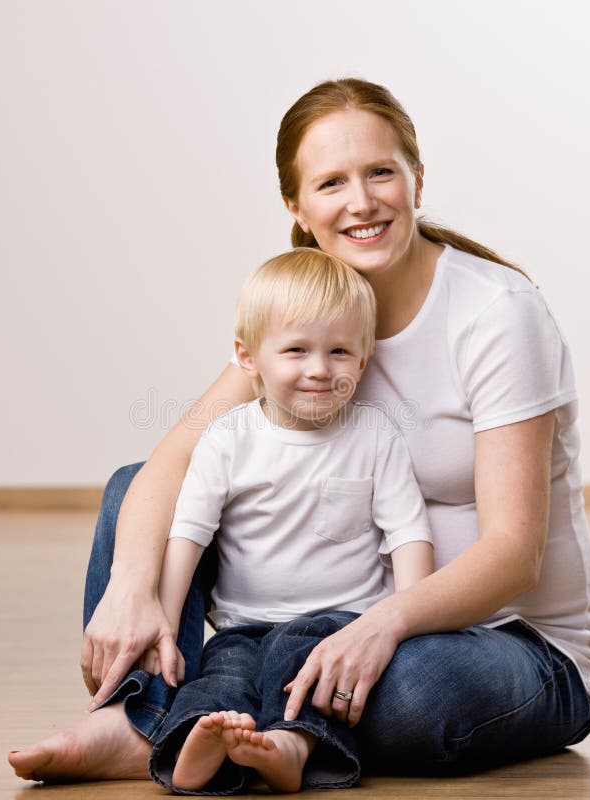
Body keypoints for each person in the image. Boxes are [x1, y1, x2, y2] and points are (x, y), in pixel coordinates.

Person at [9, 77, 590, 784]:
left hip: (507, 645)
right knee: (135, 490)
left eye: (381, 171)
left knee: (403, 689)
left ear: (417, 178)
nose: (361, 201)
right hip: (320, 627)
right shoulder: (308, 315)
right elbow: (169, 467)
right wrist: (133, 585)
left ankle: (208, 723)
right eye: (331, 183)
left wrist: (379, 627)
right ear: (296, 205)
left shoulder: (497, 315)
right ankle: (145, 714)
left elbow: (513, 554)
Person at [149, 249, 433, 794]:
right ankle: (196, 747)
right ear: (248, 355)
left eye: (340, 351)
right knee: (221, 676)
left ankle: (292, 746)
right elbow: (189, 531)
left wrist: (409, 621)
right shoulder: (228, 437)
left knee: (304, 671)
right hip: (241, 624)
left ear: (365, 356)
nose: (320, 369)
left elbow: (408, 533)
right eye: (297, 350)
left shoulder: (375, 436)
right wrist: (165, 613)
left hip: (337, 625)